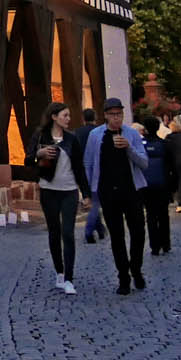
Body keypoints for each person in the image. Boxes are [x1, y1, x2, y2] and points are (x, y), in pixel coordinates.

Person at [80, 99, 148, 294]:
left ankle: (136, 268)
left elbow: (144, 163)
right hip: (108, 192)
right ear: (106, 116)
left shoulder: (132, 134)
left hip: (132, 190)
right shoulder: (95, 135)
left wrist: (128, 148)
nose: (117, 118)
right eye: (113, 114)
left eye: (119, 114)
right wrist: (89, 192)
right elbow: (88, 163)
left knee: (138, 231)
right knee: (117, 236)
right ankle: (123, 277)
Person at [28, 102, 89, 294]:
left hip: (69, 190)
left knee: (68, 233)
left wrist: (86, 194)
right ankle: (59, 273)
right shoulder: (41, 136)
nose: (68, 119)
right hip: (49, 189)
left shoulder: (72, 139)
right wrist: (40, 153)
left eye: (69, 115)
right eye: (65, 115)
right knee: (54, 232)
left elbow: (79, 167)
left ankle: (70, 278)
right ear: (54, 116)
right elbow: (27, 160)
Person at [138, 119, 171, 257]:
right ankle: (165, 243)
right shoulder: (164, 144)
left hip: (146, 185)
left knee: (150, 215)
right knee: (163, 214)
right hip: (162, 184)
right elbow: (170, 166)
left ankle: (154, 246)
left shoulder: (140, 145)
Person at [75, 109, 106, 243]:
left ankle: (100, 228)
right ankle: (89, 231)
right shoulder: (99, 132)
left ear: (83, 118)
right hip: (95, 168)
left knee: (93, 200)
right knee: (95, 202)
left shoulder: (77, 133)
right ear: (95, 117)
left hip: (80, 169)